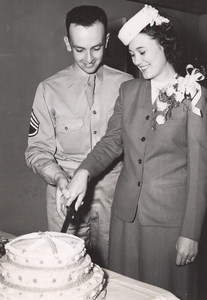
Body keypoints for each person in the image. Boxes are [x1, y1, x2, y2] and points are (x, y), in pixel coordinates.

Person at [59, 5, 207, 299]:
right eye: (132, 54)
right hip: (125, 219)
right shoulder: (129, 92)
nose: (137, 61)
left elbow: (201, 171)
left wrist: (190, 233)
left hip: (169, 224)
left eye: (143, 51)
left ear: (164, 44)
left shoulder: (195, 95)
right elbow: (111, 141)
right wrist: (84, 172)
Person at [25, 5, 133, 268]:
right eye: (79, 49)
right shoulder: (48, 90)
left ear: (106, 41)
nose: (88, 58)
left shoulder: (128, 84)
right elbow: (36, 151)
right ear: (67, 43)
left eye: (96, 48)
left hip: (113, 199)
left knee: (114, 272)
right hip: (64, 199)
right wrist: (59, 178)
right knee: (67, 271)